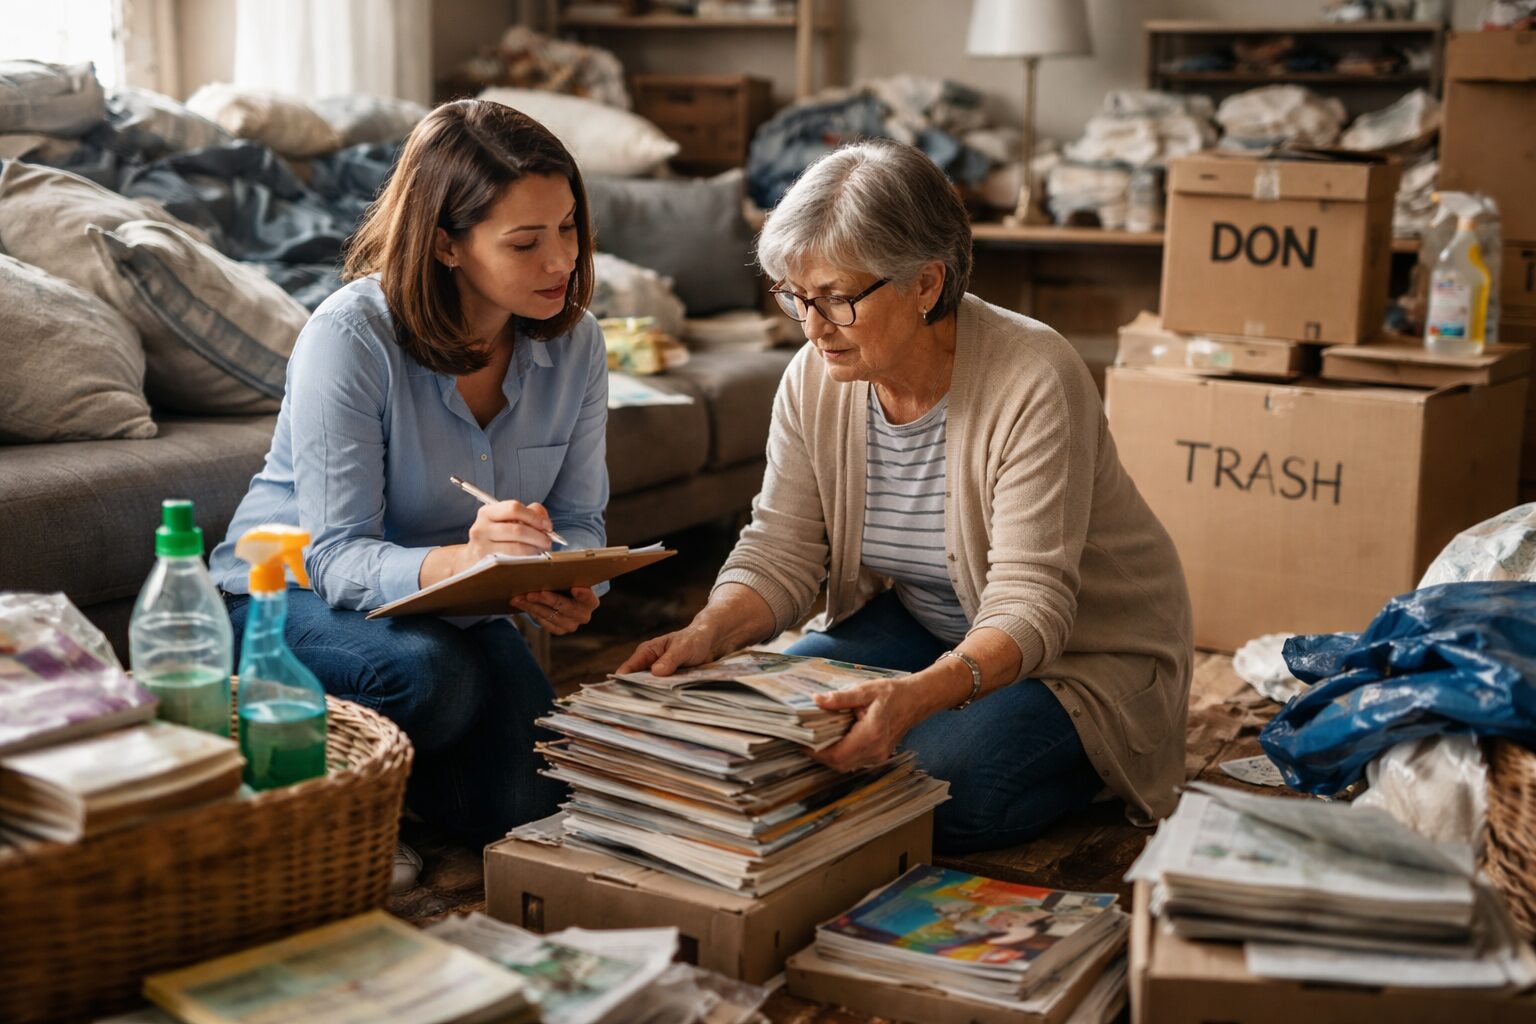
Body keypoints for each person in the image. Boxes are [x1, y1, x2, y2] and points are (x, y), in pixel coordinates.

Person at [620, 139, 1193, 854]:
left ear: (926, 284)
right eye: (798, 296)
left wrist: (918, 699)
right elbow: (781, 546)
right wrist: (709, 631)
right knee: (765, 734)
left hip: (1083, 650)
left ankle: (1099, 761)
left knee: (940, 784)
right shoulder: (813, 375)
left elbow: (1031, 604)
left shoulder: (1034, 375)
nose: (813, 325)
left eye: (836, 298)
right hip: (929, 620)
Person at [210, 99, 608, 855]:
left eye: (568, 228)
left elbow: (581, 521)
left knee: (532, 805)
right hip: (284, 597)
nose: (561, 262)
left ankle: (397, 779)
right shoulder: (350, 339)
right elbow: (333, 557)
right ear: (447, 246)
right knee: (433, 678)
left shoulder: (577, 344)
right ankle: (324, 815)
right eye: (526, 243)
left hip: (447, 615)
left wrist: (569, 578)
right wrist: (471, 560)